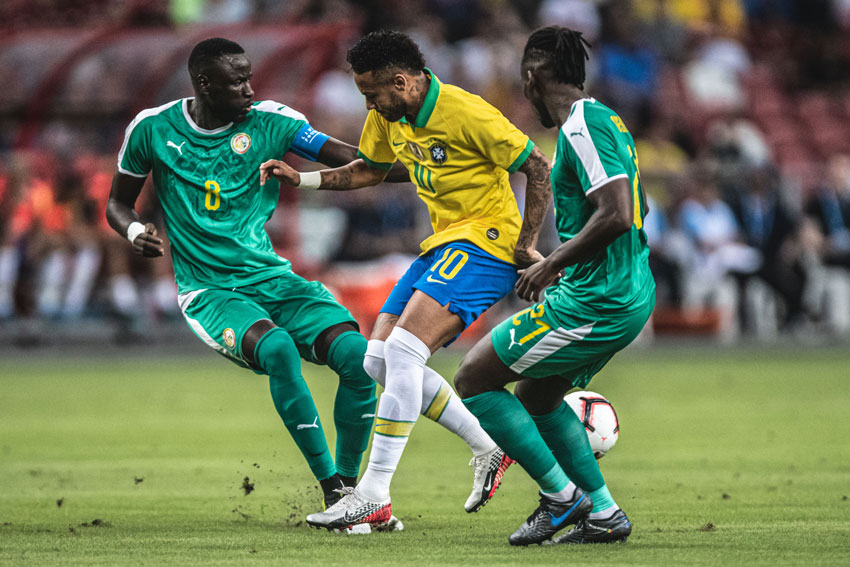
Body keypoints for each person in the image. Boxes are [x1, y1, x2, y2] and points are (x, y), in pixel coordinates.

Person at [259, 30, 552, 529]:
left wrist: (526, 245)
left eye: (372, 93)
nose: (367, 103)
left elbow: (538, 166)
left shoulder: (467, 112)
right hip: (443, 244)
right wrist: (302, 178)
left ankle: (373, 494)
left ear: (402, 81)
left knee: (402, 354)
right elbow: (368, 171)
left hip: (486, 243)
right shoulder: (388, 115)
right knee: (378, 361)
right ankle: (488, 446)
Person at [106, 37, 403, 518]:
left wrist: (434, 169)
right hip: (210, 291)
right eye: (237, 80)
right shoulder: (152, 129)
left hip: (274, 279)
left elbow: (351, 159)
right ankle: (332, 489)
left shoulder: (274, 121)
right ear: (204, 83)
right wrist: (135, 228)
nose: (249, 88)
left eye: (249, 77)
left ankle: (353, 492)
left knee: (356, 356)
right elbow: (117, 203)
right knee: (279, 349)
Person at [452, 26, 655, 546]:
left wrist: (551, 265)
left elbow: (617, 214)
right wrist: (575, 262)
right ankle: (604, 513)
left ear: (533, 77)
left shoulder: (581, 126)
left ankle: (562, 499)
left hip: (598, 301)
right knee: (538, 397)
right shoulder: (608, 120)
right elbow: (640, 205)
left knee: (474, 378)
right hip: (619, 289)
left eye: (525, 83)